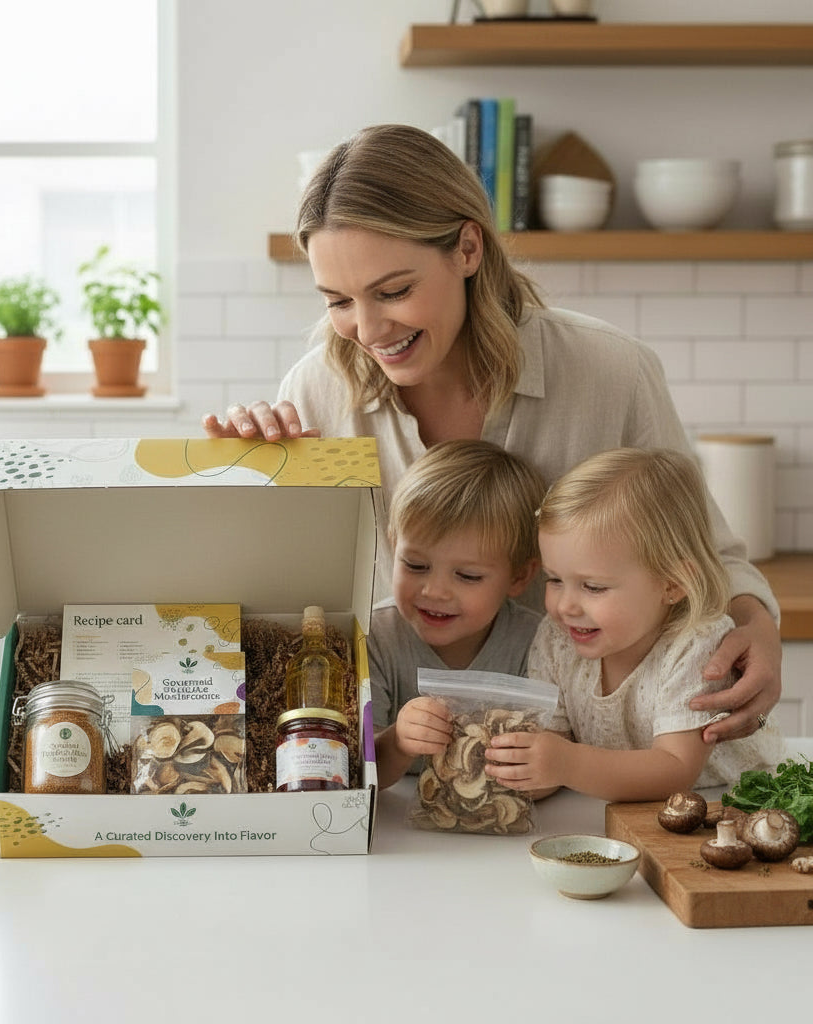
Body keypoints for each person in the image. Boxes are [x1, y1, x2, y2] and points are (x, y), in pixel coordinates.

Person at [202, 122, 781, 743]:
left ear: (468, 249)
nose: (367, 330)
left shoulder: (610, 372)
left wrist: (759, 628)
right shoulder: (317, 392)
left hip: (595, 755)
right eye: (337, 301)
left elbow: (708, 556)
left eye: (393, 291)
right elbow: (285, 596)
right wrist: (247, 475)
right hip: (399, 763)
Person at [485, 448, 783, 802]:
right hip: (614, 807)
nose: (564, 606)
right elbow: (556, 744)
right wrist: (522, 772)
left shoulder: (697, 645)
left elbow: (675, 769)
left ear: (671, 584)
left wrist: (566, 764)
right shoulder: (556, 639)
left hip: (726, 803)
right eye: (554, 580)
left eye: (593, 587)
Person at [370, 439, 546, 790]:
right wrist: (398, 742)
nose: (434, 591)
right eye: (416, 565)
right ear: (393, 545)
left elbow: (548, 765)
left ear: (519, 576)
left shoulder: (536, 642)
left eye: (468, 576)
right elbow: (360, 770)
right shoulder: (376, 637)